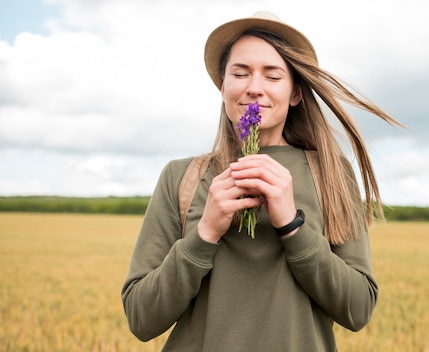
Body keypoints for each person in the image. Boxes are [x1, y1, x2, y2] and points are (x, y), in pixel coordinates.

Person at [121, 11, 402, 351]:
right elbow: (141, 317)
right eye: (239, 73)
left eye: (272, 76)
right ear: (223, 86)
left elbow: (357, 309)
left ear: (296, 93)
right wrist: (205, 232)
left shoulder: (330, 173)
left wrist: (292, 226)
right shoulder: (181, 178)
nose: (254, 88)